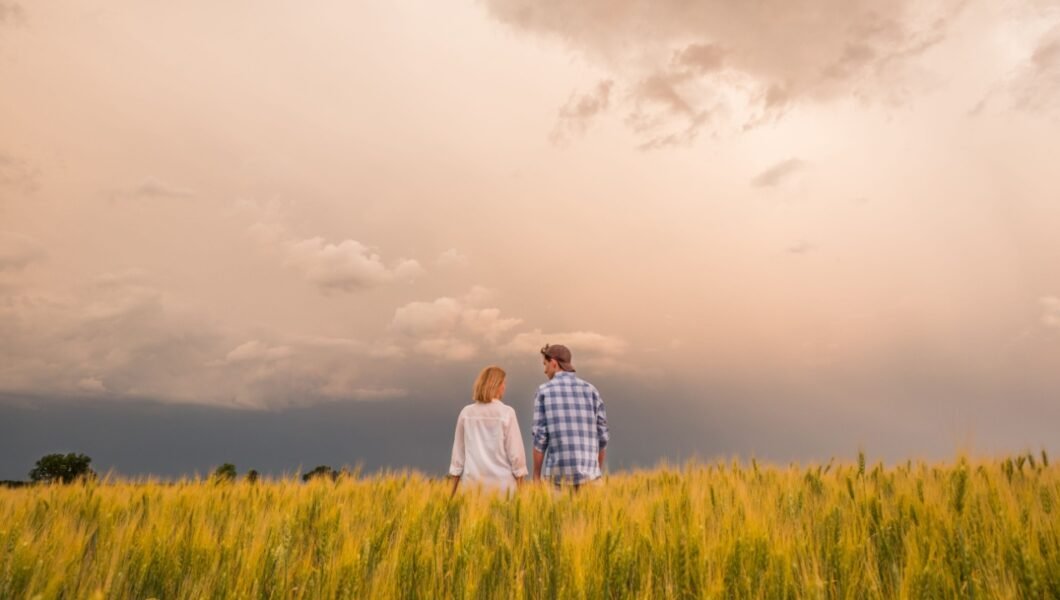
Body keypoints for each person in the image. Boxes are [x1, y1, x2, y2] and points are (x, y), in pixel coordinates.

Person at [532, 344, 609, 490]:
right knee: (591, 514)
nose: (544, 370)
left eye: (545, 364)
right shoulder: (591, 390)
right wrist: (595, 471)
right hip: (591, 479)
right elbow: (603, 436)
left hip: (557, 480)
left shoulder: (544, 391)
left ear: (554, 363)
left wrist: (536, 475)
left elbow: (540, 437)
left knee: (557, 514)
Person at [448, 365, 528, 495]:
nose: (504, 387)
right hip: (504, 490)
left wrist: (451, 494)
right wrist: (523, 493)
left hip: (472, 490)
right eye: (503, 383)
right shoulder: (507, 413)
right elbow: (517, 456)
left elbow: (458, 457)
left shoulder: (466, 413)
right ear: (496, 385)